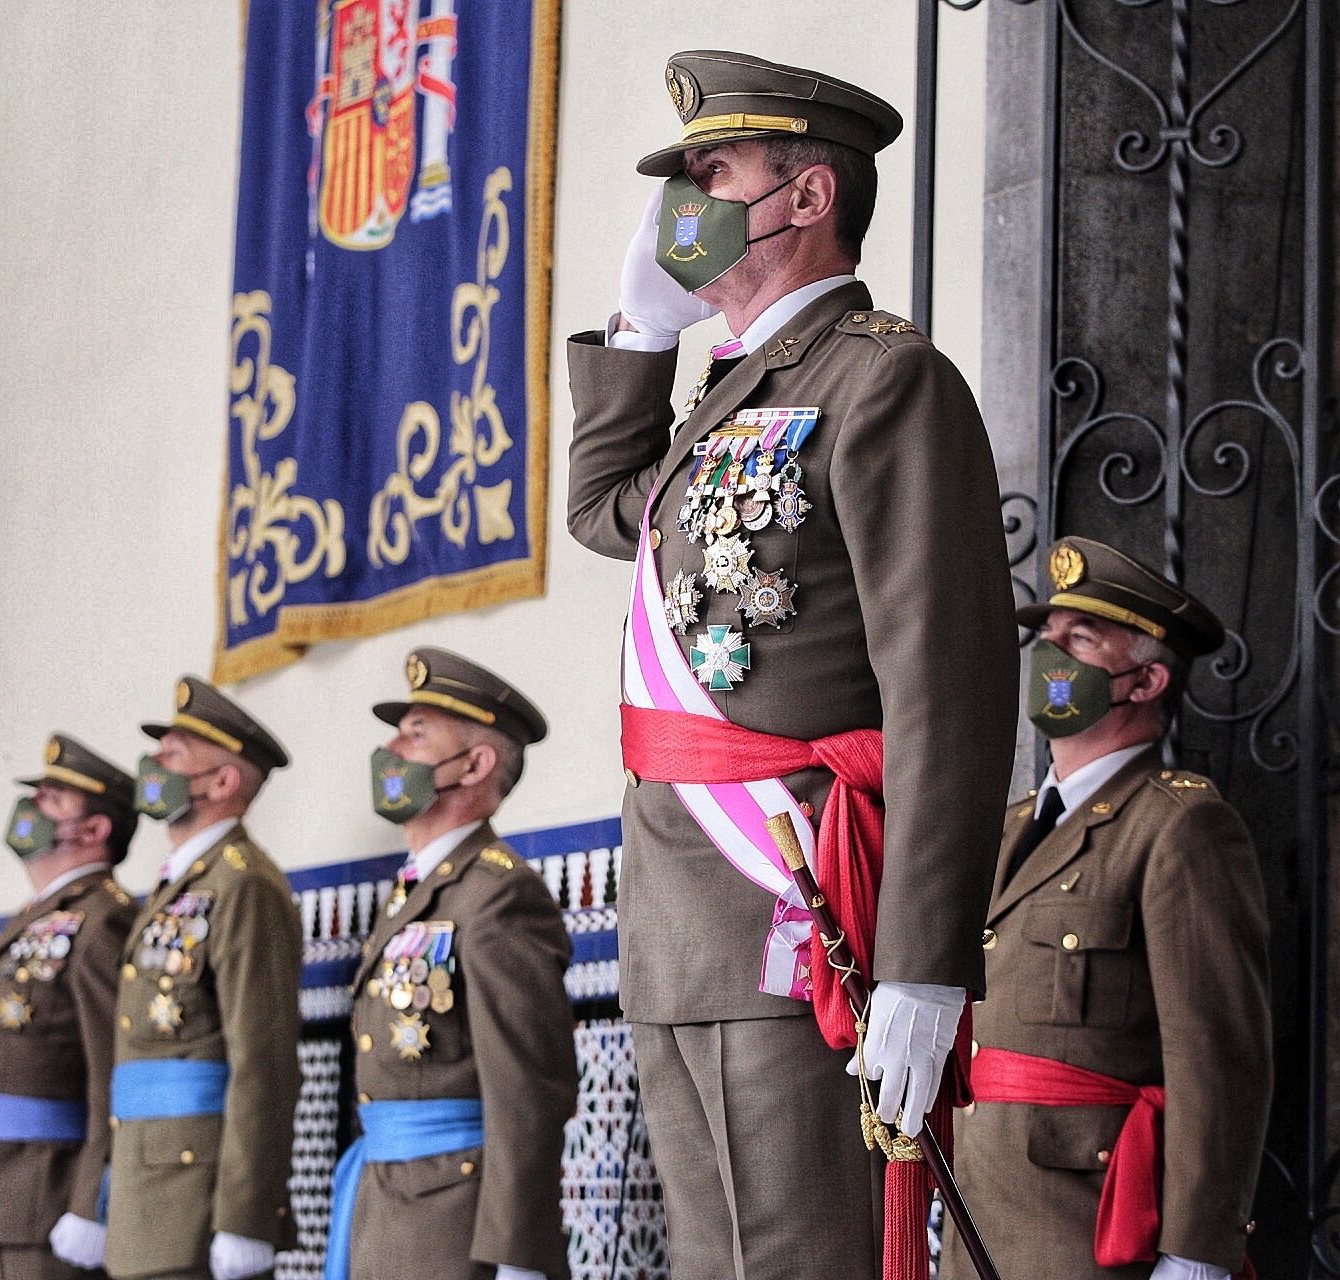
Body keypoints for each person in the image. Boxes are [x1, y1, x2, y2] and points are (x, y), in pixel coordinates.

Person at [565, 49, 1018, 1279]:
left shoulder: (882, 378)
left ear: (809, 197)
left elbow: (948, 692)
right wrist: (636, 334)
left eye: (713, 173)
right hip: (680, 919)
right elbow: (607, 508)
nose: (684, 207)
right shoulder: (732, 395)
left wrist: (925, 965)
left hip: (792, 906)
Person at [942, 536, 1271, 1280]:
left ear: (1147, 679)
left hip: (1089, 1228)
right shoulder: (1009, 827)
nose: (1051, 657)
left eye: (1080, 640)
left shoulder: (1180, 827)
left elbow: (1219, 1055)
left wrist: (1198, 1250)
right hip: (977, 1219)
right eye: (1048, 638)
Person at [324, 646, 577, 1280]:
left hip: (453, 1224)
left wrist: (521, 1250)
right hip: (384, 1202)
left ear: (474, 765)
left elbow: (528, 1088)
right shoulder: (419, 887)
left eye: (416, 733)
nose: (392, 749)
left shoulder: (499, 893)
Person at [102, 676, 302, 1280]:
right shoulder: (180, 886)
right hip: (148, 1186)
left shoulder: (243, 884)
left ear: (223, 781)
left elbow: (262, 1061)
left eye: (174, 754)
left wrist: (244, 1216)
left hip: (198, 1196)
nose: (154, 765)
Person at [0, 733, 141, 1279]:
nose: (31, 809)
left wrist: (89, 1203)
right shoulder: (37, 917)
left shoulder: (102, 920)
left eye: (52, 801)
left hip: (45, 1196)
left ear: (94, 830)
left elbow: (114, 1073)